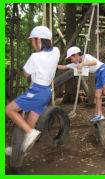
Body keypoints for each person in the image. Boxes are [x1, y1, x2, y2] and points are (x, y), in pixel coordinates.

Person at [5, 26, 60, 154]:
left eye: (32, 40)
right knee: (28, 124)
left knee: (9, 109)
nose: (32, 44)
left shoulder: (35, 57)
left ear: (38, 40)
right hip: (46, 93)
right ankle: (18, 151)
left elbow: (26, 74)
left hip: (36, 91)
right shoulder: (56, 51)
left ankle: (31, 133)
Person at [58, 46, 105, 123]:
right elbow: (64, 67)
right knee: (97, 95)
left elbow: (94, 62)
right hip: (98, 74)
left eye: (71, 58)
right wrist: (54, 66)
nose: (71, 60)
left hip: (103, 70)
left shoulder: (86, 56)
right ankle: (100, 114)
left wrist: (83, 64)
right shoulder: (76, 64)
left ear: (76, 55)